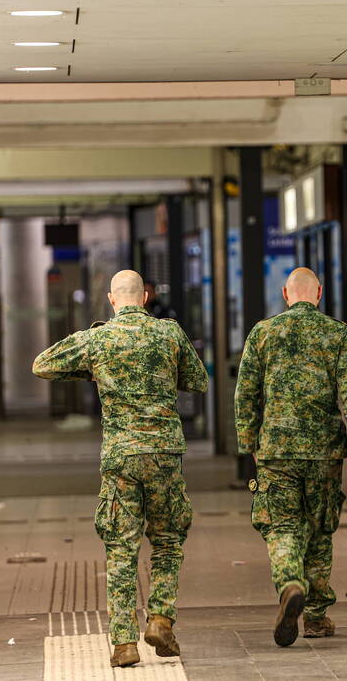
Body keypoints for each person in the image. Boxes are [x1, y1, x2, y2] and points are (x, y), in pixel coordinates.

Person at [33, 270, 208, 668]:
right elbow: (198, 381)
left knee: (121, 548)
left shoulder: (98, 338)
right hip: (164, 452)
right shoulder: (170, 334)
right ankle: (161, 619)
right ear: (144, 297)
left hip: (121, 457)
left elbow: (42, 365)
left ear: (112, 301)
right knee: (167, 539)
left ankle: (124, 643)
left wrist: (94, 369)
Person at [235, 267, 347, 647]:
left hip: (276, 450)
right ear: (320, 293)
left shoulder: (263, 333)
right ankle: (315, 615)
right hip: (324, 451)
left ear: (285, 293)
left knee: (281, 528)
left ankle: (290, 584)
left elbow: (245, 395)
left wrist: (251, 442)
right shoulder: (337, 333)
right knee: (320, 528)